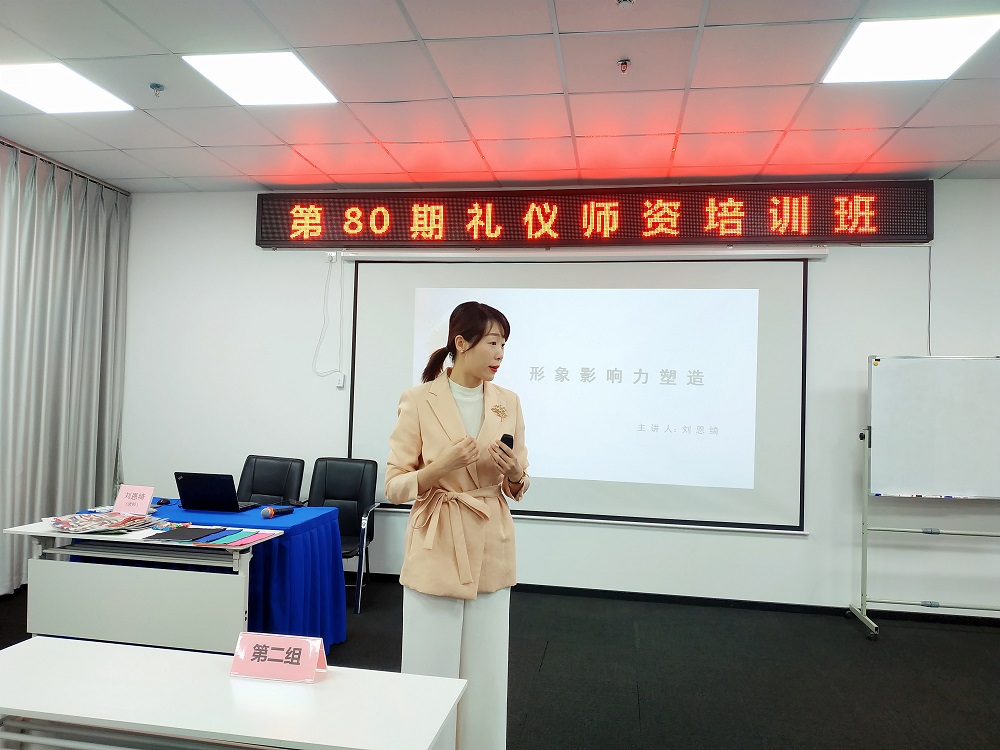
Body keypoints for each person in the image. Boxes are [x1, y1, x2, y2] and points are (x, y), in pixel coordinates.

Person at [385, 301, 529, 750]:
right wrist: (438, 468)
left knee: (487, 673)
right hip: (437, 540)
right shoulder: (418, 399)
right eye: (492, 342)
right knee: (430, 672)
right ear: (461, 343)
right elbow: (394, 486)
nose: (500, 353)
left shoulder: (508, 402)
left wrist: (514, 473)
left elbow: (520, 485)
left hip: (490, 542)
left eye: (504, 344)